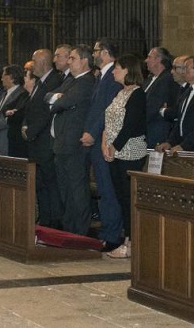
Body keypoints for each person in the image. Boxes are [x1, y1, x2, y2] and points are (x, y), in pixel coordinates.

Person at [45, 44, 96, 235]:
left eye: (72, 58)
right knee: (65, 190)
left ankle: (80, 231)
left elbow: (62, 102)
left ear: (84, 61)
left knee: (77, 190)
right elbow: (48, 98)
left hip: (74, 144)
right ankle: (69, 229)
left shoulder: (86, 81)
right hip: (61, 143)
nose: (68, 62)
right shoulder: (71, 81)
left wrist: (58, 100)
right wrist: (57, 99)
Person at [80, 39, 123, 252]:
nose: (93, 54)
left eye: (96, 51)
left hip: (104, 141)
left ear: (105, 53)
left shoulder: (113, 77)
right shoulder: (102, 76)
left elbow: (107, 110)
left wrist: (93, 132)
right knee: (104, 189)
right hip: (97, 141)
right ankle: (107, 232)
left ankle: (112, 235)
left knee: (108, 189)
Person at [102, 54, 147, 258]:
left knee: (129, 199)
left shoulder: (137, 94)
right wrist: (105, 143)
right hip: (114, 151)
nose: (113, 71)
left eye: (117, 68)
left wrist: (114, 146)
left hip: (130, 152)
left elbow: (131, 125)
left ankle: (132, 243)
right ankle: (127, 239)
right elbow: (108, 121)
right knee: (121, 198)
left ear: (128, 70)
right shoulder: (120, 93)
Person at [21, 71, 60, 227]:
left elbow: (45, 115)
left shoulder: (45, 88)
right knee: (40, 185)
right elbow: (28, 113)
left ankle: (54, 220)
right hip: (35, 146)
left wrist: (30, 132)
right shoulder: (35, 90)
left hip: (43, 144)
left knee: (50, 184)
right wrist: (25, 127)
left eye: (26, 77)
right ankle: (44, 219)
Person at [157, 55, 194, 153]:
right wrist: (170, 142)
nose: (183, 71)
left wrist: (184, 145)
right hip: (183, 146)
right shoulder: (187, 90)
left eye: (186, 68)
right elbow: (180, 120)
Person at [143, 47, 179, 148]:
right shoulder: (149, 79)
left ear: (158, 59)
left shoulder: (166, 79)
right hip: (146, 131)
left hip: (157, 133)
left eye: (149, 57)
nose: (146, 60)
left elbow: (154, 107)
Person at [0, 64, 27, 156]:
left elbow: (10, 117)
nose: (1, 79)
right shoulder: (4, 93)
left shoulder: (21, 94)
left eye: (3, 76)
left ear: (12, 78)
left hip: (7, 140)